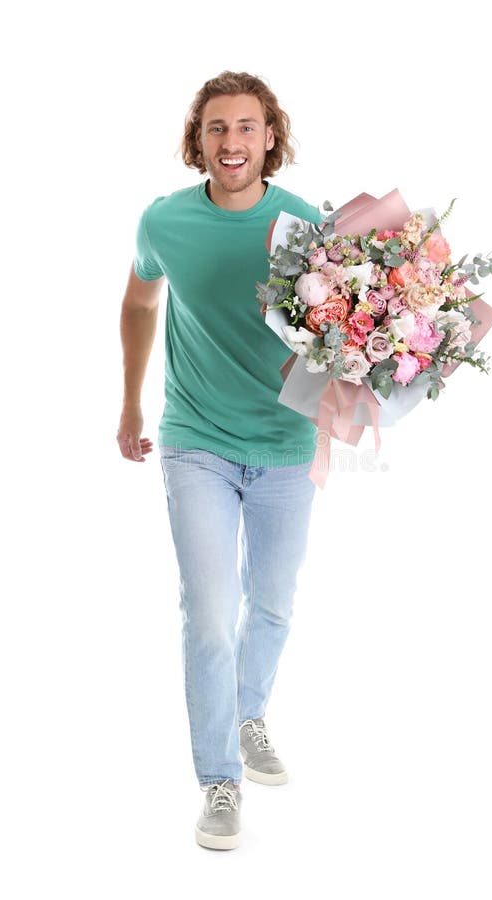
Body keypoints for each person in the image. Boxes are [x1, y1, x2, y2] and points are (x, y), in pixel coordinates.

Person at [116, 71, 322, 851]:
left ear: (271, 137)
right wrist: (133, 405)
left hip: (285, 444)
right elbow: (139, 302)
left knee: (271, 602)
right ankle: (217, 779)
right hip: (195, 439)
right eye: (216, 129)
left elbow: (339, 323)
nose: (231, 143)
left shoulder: (305, 222)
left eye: (246, 127)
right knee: (207, 614)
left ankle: (248, 716)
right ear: (197, 141)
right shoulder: (164, 221)